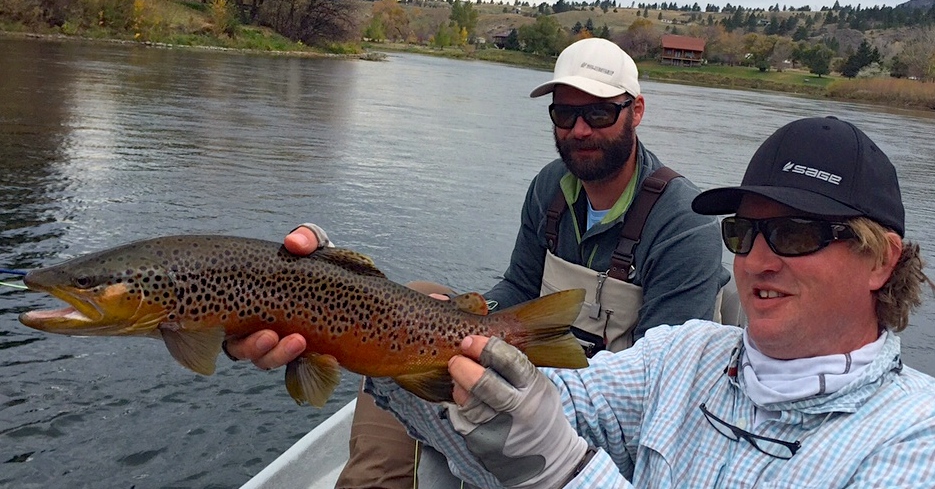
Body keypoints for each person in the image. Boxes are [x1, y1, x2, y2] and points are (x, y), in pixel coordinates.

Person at [226, 37, 731, 487]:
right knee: (422, 294)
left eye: (599, 113)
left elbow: (662, 385)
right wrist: (455, 315)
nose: (579, 130)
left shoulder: (685, 224)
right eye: (563, 114)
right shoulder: (550, 187)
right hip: (533, 354)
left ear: (636, 111)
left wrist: (514, 370)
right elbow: (517, 285)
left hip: (599, 412)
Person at [361, 116, 935, 488]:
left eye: (796, 233)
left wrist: (565, 470)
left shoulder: (915, 441)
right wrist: (355, 325)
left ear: (881, 261)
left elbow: (552, 449)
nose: (757, 260)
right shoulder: (683, 356)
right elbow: (555, 402)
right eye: (744, 233)